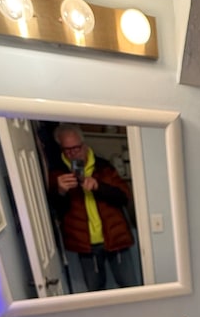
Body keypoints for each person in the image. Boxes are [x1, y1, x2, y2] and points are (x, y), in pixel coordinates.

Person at [48, 124, 138, 292]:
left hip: (115, 237)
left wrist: (99, 186)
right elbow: (55, 212)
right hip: (85, 243)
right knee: (95, 291)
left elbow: (124, 197)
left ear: (84, 144)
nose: (73, 153)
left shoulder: (104, 167)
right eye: (67, 149)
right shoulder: (57, 173)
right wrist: (60, 192)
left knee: (130, 286)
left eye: (76, 147)